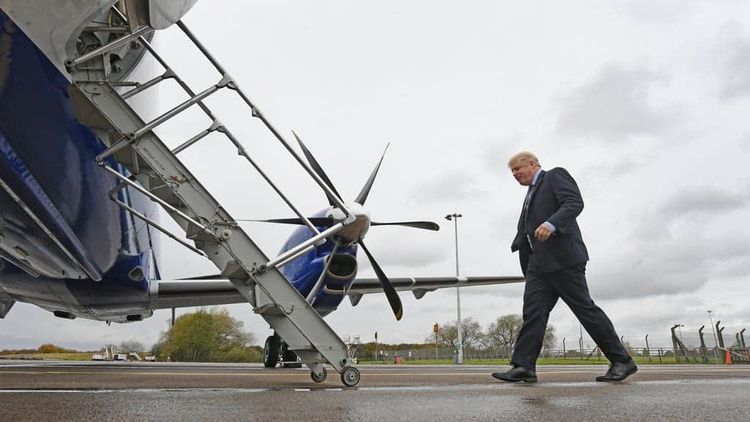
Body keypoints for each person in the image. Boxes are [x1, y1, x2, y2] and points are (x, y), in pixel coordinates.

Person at [492, 151, 637, 383]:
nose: (515, 174)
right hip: (538, 264)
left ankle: (622, 361)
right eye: (512, 172)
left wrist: (551, 224)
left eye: (517, 169)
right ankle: (524, 366)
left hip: (563, 259)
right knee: (533, 314)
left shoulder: (554, 176)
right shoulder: (530, 193)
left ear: (532, 164)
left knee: (584, 309)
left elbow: (574, 203)